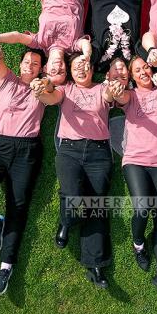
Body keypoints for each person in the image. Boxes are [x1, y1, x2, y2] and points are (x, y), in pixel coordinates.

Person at [31, 55, 124, 288]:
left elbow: (109, 96)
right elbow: (50, 98)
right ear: (70, 72)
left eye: (85, 66)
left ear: (92, 69)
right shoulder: (66, 89)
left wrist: (113, 89)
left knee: (97, 205)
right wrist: (40, 90)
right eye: (76, 67)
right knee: (72, 195)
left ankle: (95, 265)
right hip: (70, 151)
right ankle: (66, 221)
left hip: (98, 153)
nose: (82, 70)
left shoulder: (102, 88)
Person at [0, 42, 47, 296]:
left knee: (18, 207)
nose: (30, 65)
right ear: (20, 64)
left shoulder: (43, 87)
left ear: (40, 69)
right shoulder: (7, 80)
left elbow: (52, 89)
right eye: (27, 61)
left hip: (27, 150)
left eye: (36, 64)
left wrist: (44, 84)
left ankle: (6, 267)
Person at [113, 58, 157, 300]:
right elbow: (120, 98)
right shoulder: (130, 96)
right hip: (135, 161)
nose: (143, 72)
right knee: (142, 207)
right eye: (137, 70)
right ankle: (138, 243)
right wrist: (117, 90)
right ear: (131, 76)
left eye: (146, 68)